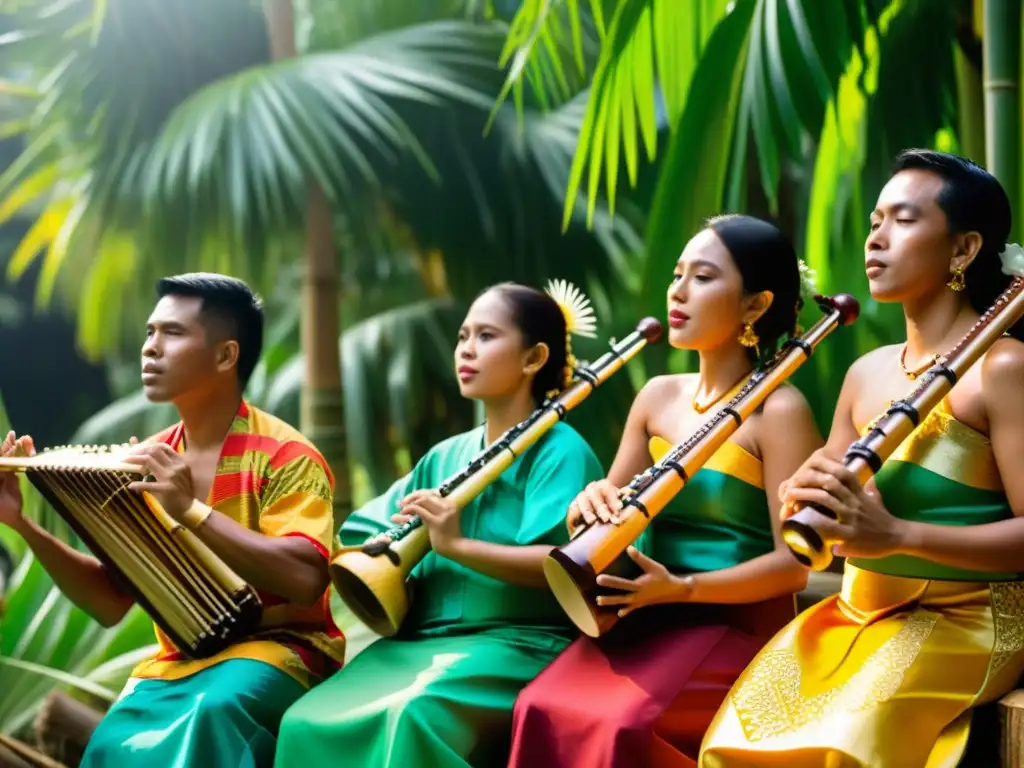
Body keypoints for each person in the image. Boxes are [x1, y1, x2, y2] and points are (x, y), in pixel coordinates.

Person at [699, 150, 1024, 767]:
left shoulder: (1002, 368)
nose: (876, 236)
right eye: (875, 219)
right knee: (734, 739)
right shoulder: (865, 372)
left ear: (963, 250)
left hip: (967, 617)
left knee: (844, 743)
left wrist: (900, 533)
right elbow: (819, 507)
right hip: (856, 610)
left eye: (902, 220)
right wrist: (805, 494)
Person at [507, 215, 824, 768]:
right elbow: (614, 498)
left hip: (736, 624)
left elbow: (794, 566)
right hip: (647, 610)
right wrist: (591, 501)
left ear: (755, 306)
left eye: (703, 277)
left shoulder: (779, 410)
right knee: (539, 705)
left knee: (621, 725)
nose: (678, 290)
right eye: (678, 274)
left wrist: (684, 587)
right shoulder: (655, 397)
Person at [0, 273, 344, 767]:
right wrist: (21, 523)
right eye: (149, 332)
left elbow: (306, 577)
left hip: (282, 653)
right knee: (110, 741)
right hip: (182, 661)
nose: (151, 348)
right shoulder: (145, 459)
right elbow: (109, 602)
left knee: (216, 712)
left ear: (226, 356)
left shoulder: (287, 456)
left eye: (173, 334)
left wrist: (191, 512)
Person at [273, 281, 606, 768]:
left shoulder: (562, 450)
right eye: (462, 335)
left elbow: (566, 563)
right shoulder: (446, 455)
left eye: (486, 336)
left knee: (412, 714)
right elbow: (368, 532)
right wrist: (390, 553)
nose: (466, 349)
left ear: (534, 358)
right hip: (422, 642)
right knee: (305, 719)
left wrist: (456, 545)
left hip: (517, 641)